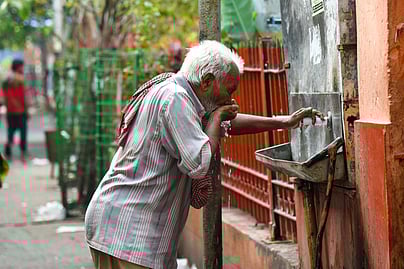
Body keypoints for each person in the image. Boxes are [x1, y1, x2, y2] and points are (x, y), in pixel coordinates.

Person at [85, 40, 317, 269]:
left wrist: (283, 122)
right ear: (206, 82)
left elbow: (229, 124)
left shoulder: (180, 95)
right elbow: (198, 162)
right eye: (230, 90)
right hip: (129, 230)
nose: (230, 100)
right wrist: (216, 120)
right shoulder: (175, 99)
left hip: (120, 226)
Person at [1, 59, 28, 160]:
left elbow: (5, 94)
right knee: (23, 131)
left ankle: (8, 147)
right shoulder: (20, 79)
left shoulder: (6, 79)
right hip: (20, 110)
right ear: (18, 67)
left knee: (11, 131)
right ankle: (23, 151)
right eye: (22, 66)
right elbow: (23, 96)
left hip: (10, 110)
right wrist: (27, 109)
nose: (23, 68)